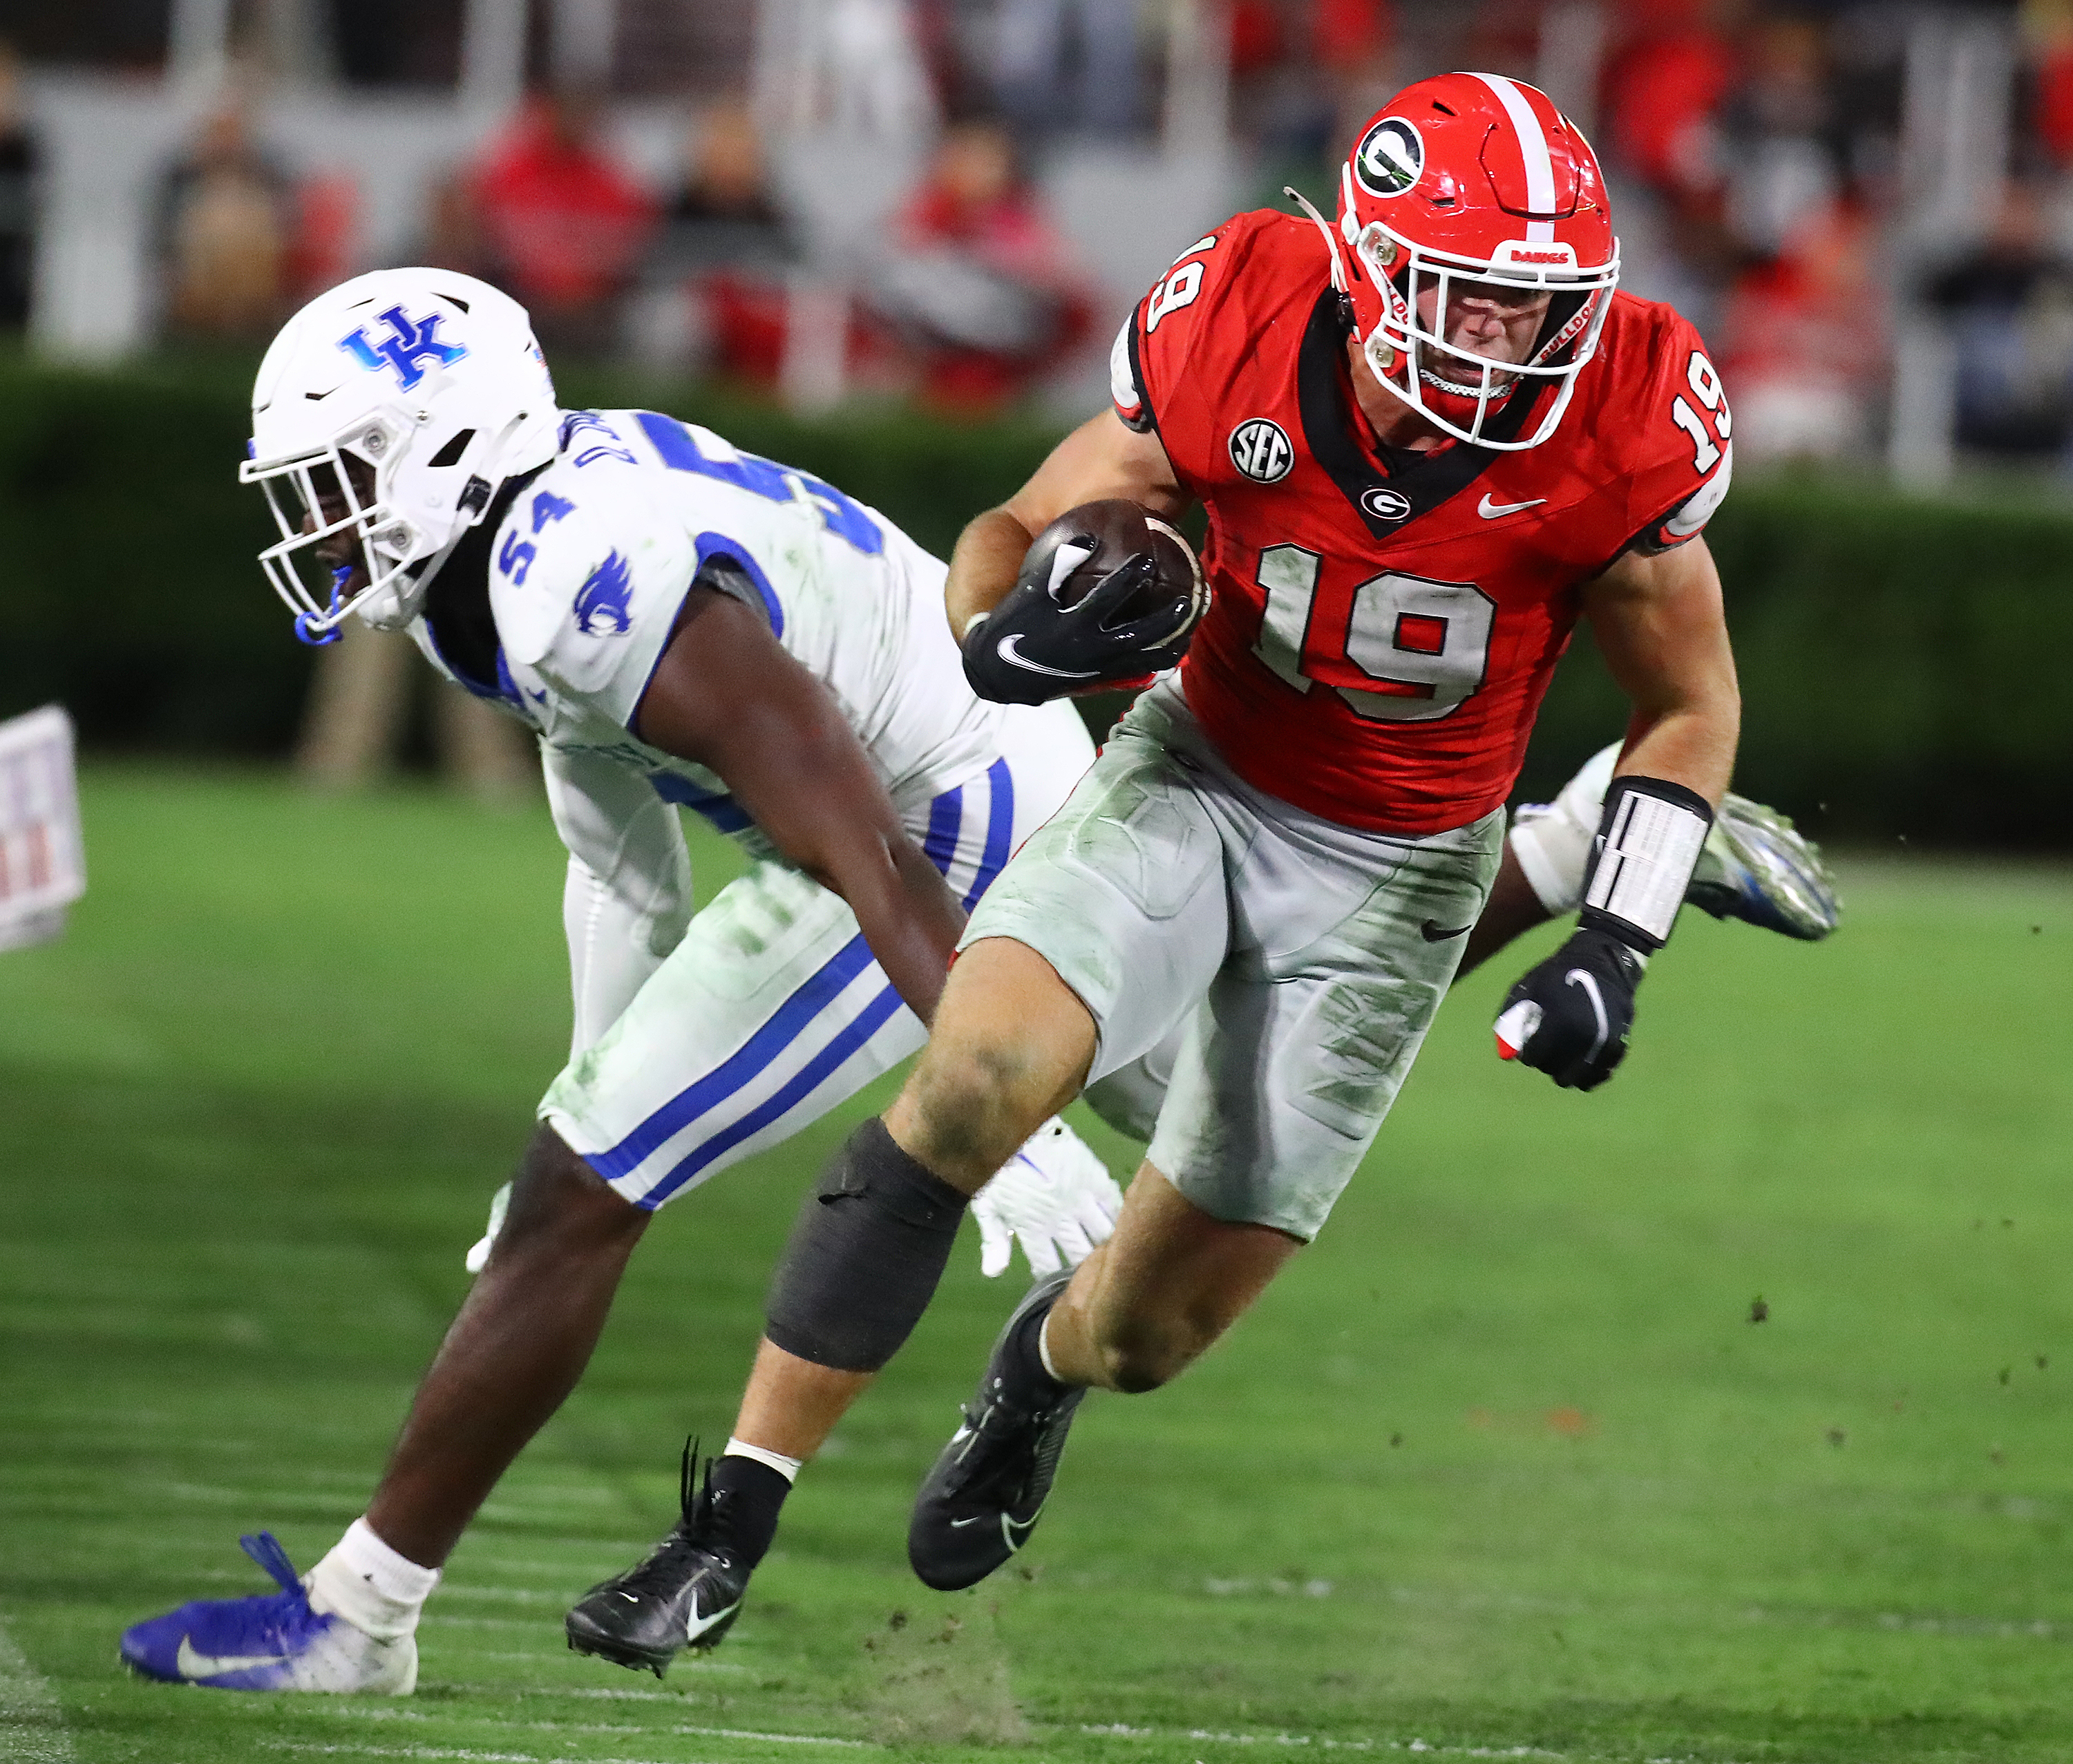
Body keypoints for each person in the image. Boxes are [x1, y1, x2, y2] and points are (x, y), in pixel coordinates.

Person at [553, 71, 1833, 1676]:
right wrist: (998, 638)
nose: (1507, 344)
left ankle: (1041, 1365)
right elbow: (1014, 526)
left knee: (1145, 1336)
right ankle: (724, 1526)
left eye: (1538, 309)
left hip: (1402, 876)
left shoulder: (1624, 411)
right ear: (1370, 265)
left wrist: (1620, 942)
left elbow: (1692, 702)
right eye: (1474, 300)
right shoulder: (1242, 312)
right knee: (977, 1073)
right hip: (1196, 779)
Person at [115, 267, 1126, 1695]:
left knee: (582, 1189)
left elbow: (861, 845)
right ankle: (361, 1612)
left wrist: (992, 1095)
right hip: (896, 823)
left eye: (344, 474)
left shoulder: (579, 576)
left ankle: (359, 1620)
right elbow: (621, 863)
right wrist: (574, 1117)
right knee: (574, 1183)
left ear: (448, 450)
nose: (319, 519)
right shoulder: (513, 565)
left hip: (950, 821)